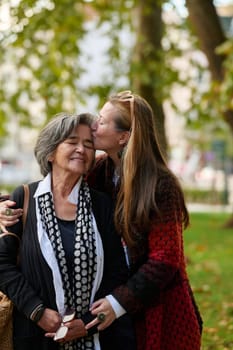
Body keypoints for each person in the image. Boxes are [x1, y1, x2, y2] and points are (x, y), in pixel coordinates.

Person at [0, 91, 202, 349]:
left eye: (102, 121)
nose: (94, 126)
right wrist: (7, 204)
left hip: (155, 306)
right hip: (108, 310)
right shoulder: (100, 170)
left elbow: (165, 261)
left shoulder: (159, 184)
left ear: (123, 137)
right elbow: (53, 185)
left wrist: (115, 303)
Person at [0, 112, 136, 350]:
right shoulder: (24, 198)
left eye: (88, 144)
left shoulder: (102, 205)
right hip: (34, 337)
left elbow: (116, 271)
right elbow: (2, 263)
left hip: (93, 338)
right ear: (50, 152)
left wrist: (85, 323)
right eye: (72, 142)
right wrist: (37, 311)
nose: (82, 150)